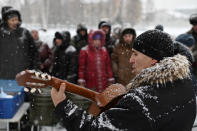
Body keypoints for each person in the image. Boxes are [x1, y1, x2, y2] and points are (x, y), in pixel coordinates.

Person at [51, 29, 196, 131]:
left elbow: (96, 129)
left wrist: (63, 106)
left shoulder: (142, 101)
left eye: (135, 54)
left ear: (154, 59)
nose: (131, 60)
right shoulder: (185, 84)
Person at [0, 8, 40, 79]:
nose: (15, 22)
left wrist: (33, 69)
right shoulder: (1, 34)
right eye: (12, 20)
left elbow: (34, 53)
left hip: (23, 75)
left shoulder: (25, 33)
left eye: (16, 20)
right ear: (6, 21)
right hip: (4, 76)